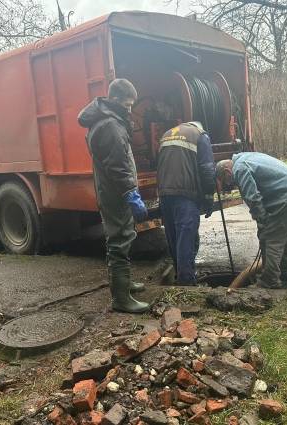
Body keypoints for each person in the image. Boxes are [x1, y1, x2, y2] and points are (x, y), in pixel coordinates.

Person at [78, 79, 149, 313]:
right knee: (119, 240)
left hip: (112, 191)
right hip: (116, 193)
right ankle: (121, 299)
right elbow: (118, 165)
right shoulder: (110, 125)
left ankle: (124, 284)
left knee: (124, 235)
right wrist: (130, 193)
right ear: (115, 100)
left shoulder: (107, 121)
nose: (130, 110)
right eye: (127, 105)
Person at [214, 152, 287, 288]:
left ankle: (269, 281)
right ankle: (285, 272)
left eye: (227, 180)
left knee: (272, 238)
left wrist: (262, 221)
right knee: (284, 236)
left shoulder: (240, 169)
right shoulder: (247, 157)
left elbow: (253, 198)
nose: (230, 183)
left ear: (228, 170)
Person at [157, 121, 215, 286]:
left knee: (173, 234)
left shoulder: (166, 134)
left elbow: (158, 159)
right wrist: (209, 196)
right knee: (186, 235)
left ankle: (180, 274)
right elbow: (207, 168)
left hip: (165, 192)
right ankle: (186, 281)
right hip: (185, 191)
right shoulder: (200, 135)